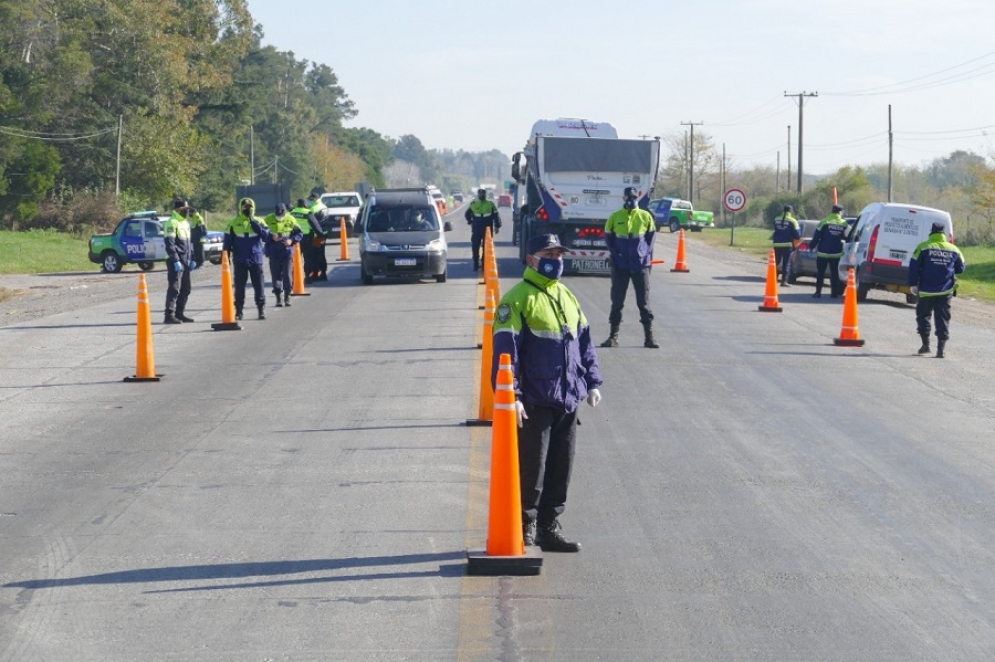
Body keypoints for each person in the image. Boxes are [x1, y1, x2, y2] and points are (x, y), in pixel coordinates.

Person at [492, 233, 603, 552]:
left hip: (567, 399)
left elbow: (584, 343)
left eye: (559, 255)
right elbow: (505, 354)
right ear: (531, 259)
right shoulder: (517, 299)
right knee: (532, 469)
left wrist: (592, 382)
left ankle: (548, 528)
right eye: (549, 254)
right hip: (534, 400)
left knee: (560, 468)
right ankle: (523, 526)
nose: (556, 260)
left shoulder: (567, 296)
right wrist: (511, 396)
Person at [601, 186, 659, 348]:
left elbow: (651, 239)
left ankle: (649, 338)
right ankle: (613, 337)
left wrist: (643, 254)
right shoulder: (615, 217)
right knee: (617, 302)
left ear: (637, 197)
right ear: (624, 198)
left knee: (644, 303)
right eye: (629, 197)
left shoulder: (645, 216)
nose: (631, 200)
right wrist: (616, 254)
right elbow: (608, 238)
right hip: (620, 266)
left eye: (634, 197)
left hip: (640, 266)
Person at [908, 222, 966, 358]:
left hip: (926, 291)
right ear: (943, 233)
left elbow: (913, 266)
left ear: (931, 232)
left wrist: (913, 284)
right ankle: (941, 349)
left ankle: (925, 345)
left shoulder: (922, 247)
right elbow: (961, 268)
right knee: (942, 318)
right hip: (945, 291)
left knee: (923, 316)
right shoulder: (954, 249)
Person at [223, 197, 271, 320]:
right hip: (240, 259)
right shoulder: (234, 223)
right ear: (240, 208)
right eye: (245, 207)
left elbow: (266, 236)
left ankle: (261, 309)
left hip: (255, 259)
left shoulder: (259, 221)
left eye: (250, 207)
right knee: (239, 287)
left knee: (259, 286)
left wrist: (252, 221)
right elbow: (227, 242)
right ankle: (239, 311)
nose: (247, 209)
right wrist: (226, 259)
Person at [162, 199, 197, 324]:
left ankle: (180, 313)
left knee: (186, 288)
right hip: (175, 260)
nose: (186, 212)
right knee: (174, 288)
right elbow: (169, 244)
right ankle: (169, 315)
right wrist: (175, 260)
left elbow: (189, 243)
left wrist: (192, 258)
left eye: (187, 210)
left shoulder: (185, 223)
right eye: (184, 210)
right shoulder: (172, 222)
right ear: (177, 210)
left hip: (186, 259)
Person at [263, 203, 303, 308]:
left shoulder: (291, 219)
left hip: (287, 251)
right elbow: (262, 234)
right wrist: (271, 237)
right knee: (275, 275)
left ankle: (287, 296)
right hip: (273, 251)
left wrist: (291, 240)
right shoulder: (268, 219)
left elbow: (299, 233)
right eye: (277, 216)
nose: (279, 218)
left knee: (287, 274)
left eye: (281, 215)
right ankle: (278, 298)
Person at [809, 204, 849, 298]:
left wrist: (811, 246)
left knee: (820, 273)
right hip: (836, 253)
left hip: (823, 253)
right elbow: (847, 237)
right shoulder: (844, 224)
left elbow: (816, 236)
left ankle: (818, 292)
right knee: (834, 273)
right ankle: (834, 293)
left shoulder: (824, 222)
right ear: (840, 212)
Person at [465, 188, 500, 271]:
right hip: (481, 229)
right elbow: (467, 214)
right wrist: (470, 222)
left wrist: (497, 226)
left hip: (484, 229)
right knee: (477, 246)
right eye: (480, 194)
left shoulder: (489, 204)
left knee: (484, 247)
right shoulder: (477, 204)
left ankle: (481, 263)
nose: (481, 195)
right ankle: (477, 263)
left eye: (482, 194)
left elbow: (496, 215)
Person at [290, 199, 322, 285]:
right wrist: (321, 234)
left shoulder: (292, 213)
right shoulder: (307, 212)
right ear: (305, 204)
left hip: (294, 239)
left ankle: (294, 278)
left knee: (294, 259)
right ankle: (307, 277)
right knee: (308, 258)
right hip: (306, 238)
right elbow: (315, 225)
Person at [771, 205, 800, 286]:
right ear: (791, 211)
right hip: (787, 245)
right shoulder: (793, 221)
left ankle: (773, 279)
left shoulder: (776, 219)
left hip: (777, 244)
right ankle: (784, 281)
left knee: (776, 262)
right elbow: (798, 235)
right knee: (786, 263)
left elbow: (774, 230)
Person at [307, 192, 329, 281]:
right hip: (324, 233)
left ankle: (316, 273)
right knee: (321, 254)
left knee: (315, 254)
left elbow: (313, 223)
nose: (309, 201)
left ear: (315, 199)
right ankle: (323, 273)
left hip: (316, 235)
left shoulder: (313, 209)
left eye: (311, 200)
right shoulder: (324, 206)